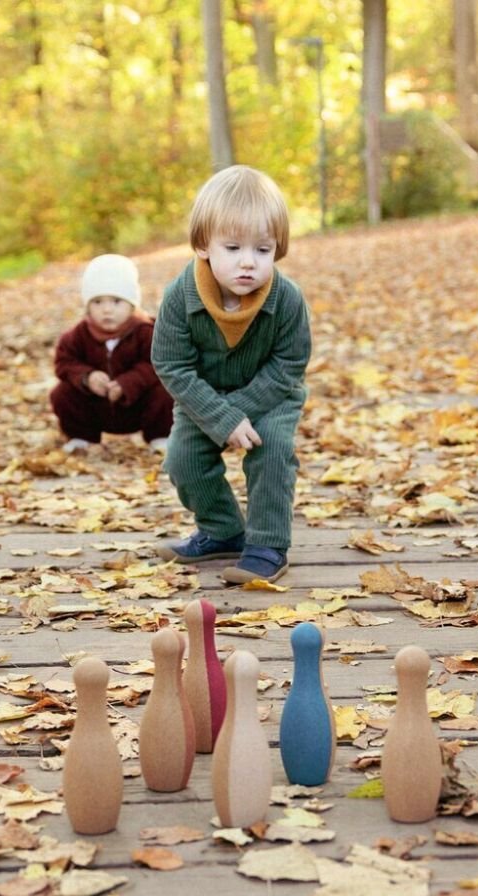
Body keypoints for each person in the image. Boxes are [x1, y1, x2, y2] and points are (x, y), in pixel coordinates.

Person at [151, 165, 311, 584]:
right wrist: (221, 418)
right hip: (202, 397)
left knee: (272, 449)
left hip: (270, 397)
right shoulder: (179, 298)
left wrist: (238, 412)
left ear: (277, 248)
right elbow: (172, 365)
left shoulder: (287, 299)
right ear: (204, 245)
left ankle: (267, 544)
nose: (248, 262)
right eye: (233, 247)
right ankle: (222, 530)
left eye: (262, 250)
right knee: (183, 459)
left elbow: (289, 365)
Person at [50, 254, 173, 452]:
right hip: (98, 406)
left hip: (138, 404)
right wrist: (86, 377)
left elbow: (159, 363)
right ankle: (82, 437)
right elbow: (64, 362)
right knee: (62, 393)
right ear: (88, 306)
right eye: (97, 302)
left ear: (132, 304)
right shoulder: (79, 334)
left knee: (167, 389)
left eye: (116, 302)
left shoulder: (146, 331)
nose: (107, 310)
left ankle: (161, 436)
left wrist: (129, 382)